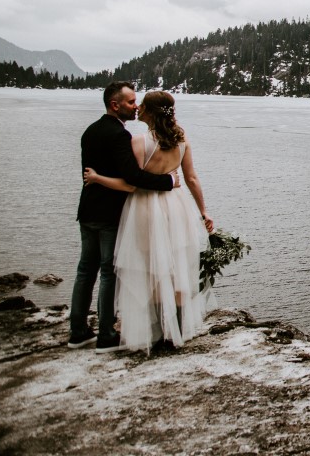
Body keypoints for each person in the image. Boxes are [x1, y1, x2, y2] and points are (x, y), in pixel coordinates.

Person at [83, 90, 215, 353]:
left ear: (151, 112)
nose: (137, 108)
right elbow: (191, 178)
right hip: (177, 207)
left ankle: (156, 335)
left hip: (146, 207)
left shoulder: (139, 142)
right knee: (175, 268)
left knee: (152, 269)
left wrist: (97, 178)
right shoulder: (182, 139)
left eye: (141, 105)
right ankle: (172, 334)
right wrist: (203, 211)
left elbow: (131, 183)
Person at [69, 81, 180, 353]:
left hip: (88, 210)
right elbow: (133, 178)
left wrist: (96, 179)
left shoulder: (90, 131)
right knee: (108, 272)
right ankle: (106, 335)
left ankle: (78, 332)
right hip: (110, 213)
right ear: (114, 104)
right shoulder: (120, 136)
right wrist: (168, 181)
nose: (136, 106)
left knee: (85, 270)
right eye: (131, 102)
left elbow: (89, 172)